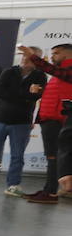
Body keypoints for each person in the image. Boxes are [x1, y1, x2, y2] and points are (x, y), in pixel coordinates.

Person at [0, 46, 45, 196]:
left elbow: (35, 96)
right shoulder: (8, 72)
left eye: (30, 56)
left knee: (17, 155)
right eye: (24, 55)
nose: (25, 59)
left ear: (37, 60)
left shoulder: (40, 76)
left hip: (22, 122)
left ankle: (13, 185)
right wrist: (24, 94)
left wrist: (16, 94)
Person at [24, 43, 72, 204]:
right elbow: (59, 92)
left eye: (56, 53)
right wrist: (42, 91)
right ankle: (50, 189)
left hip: (57, 120)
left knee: (54, 157)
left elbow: (53, 70)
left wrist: (33, 57)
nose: (52, 57)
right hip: (50, 119)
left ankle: (51, 192)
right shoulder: (61, 73)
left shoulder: (65, 70)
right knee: (53, 157)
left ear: (67, 55)